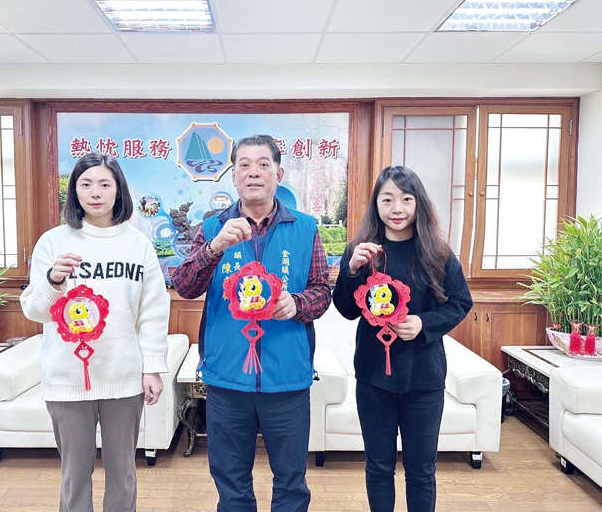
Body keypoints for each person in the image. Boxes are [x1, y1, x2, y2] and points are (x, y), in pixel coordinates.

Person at [173, 134, 331, 511]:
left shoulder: (305, 227)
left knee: (291, 483)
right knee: (231, 484)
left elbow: (322, 291)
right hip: (227, 379)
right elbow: (185, 286)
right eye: (244, 165)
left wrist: (297, 303)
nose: (253, 172)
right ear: (234, 176)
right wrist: (214, 248)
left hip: (287, 378)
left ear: (279, 173)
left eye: (263, 164)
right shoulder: (212, 228)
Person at [20, 153, 170, 512]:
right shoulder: (53, 242)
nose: (95, 193)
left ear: (119, 191)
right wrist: (53, 281)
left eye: (104, 184)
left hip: (123, 377)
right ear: (74, 191)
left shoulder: (137, 244)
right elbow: (34, 310)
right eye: (85, 184)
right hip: (68, 378)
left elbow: (152, 311)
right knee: (74, 475)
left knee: (123, 474)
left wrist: (152, 367)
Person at [332, 166, 472, 512]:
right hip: (373, 379)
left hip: (423, 379)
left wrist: (423, 323)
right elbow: (346, 310)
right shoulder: (362, 252)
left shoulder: (437, 252)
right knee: (379, 467)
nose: (397, 208)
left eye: (406, 199)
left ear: (418, 203)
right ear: (376, 205)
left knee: (421, 471)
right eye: (388, 199)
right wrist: (351, 271)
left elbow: (461, 302)